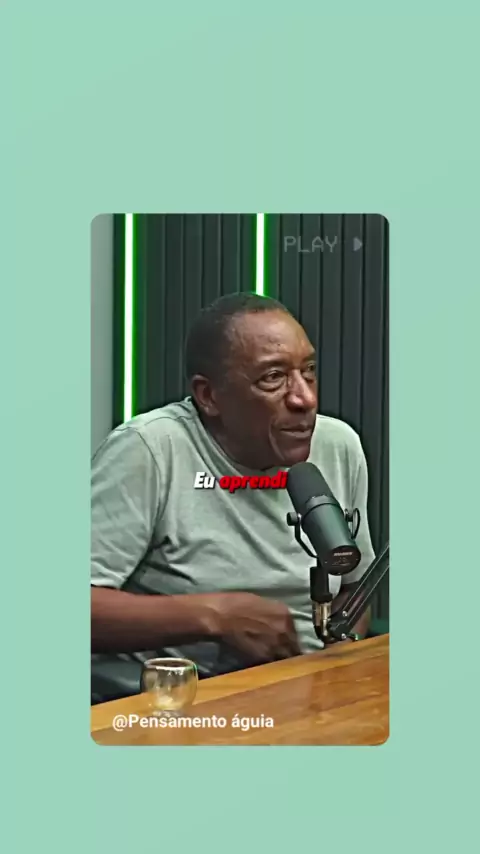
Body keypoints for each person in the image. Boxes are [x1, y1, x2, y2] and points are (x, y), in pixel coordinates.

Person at [91, 293, 375, 682]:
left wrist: (335, 671)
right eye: (273, 377)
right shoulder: (150, 449)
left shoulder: (338, 445)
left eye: (308, 371)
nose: (305, 398)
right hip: (190, 696)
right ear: (209, 396)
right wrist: (215, 616)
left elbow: (354, 590)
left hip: (310, 691)